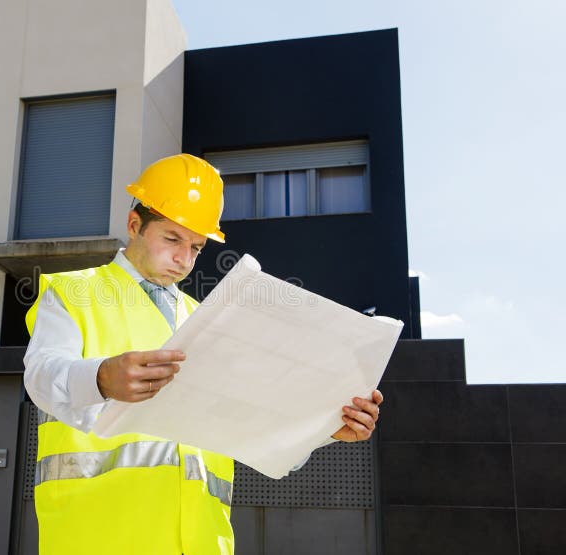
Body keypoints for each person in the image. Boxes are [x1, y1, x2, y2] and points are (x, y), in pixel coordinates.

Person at [23, 153, 383, 554]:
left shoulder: (205, 318)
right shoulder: (75, 293)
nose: (184, 259)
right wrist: (102, 378)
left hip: (202, 541)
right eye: (172, 239)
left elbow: (249, 424)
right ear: (134, 225)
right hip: (101, 537)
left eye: (196, 247)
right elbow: (41, 376)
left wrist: (324, 429)